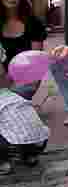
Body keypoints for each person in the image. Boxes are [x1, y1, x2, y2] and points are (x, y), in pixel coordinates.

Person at [0, 43, 50, 175]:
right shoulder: (12, 95)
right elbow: (3, 76)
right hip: (41, 140)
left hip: (15, 145)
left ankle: (3, 163)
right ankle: (29, 156)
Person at [0, 0, 48, 100]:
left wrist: (14, 80)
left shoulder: (33, 23)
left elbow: (36, 60)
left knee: (12, 98)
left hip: (24, 78)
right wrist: (4, 79)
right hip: (1, 76)